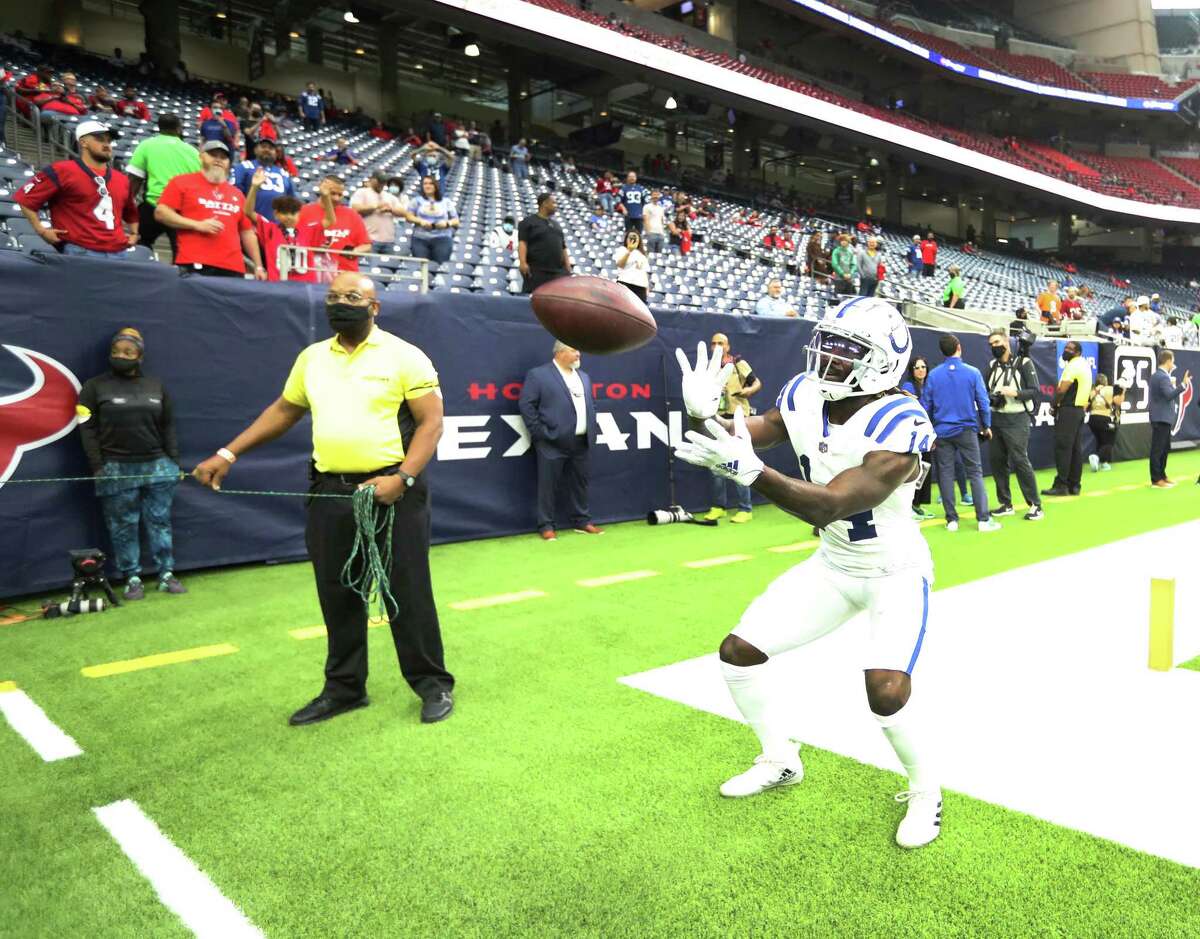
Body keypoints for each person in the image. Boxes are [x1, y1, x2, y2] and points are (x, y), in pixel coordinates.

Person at [671, 297, 943, 849]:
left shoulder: (902, 420)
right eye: (830, 342)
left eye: (848, 350)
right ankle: (779, 758)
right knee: (738, 653)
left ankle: (926, 790)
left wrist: (753, 474)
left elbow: (829, 505)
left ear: (882, 361)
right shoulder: (804, 391)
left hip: (893, 569)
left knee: (886, 691)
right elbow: (763, 428)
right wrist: (709, 414)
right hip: (834, 564)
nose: (830, 357)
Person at [193, 272, 455, 725]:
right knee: (337, 592)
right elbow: (285, 409)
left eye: (352, 297)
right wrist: (228, 452)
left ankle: (432, 684)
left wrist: (404, 478)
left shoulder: (405, 356)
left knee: (406, 592)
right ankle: (345, 688)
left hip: (393, 492)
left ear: (374, 307)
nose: (340, 303)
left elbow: (431, 424)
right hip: (329, 491)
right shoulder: (312, 358)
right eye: (333, 296)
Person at [76, 328, 185, 600]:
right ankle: (132, 577)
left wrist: (174, 461)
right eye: (116, 351)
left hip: (159, 466)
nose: (121, 356)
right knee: (122, 525)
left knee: (159, 522)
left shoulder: (156, 387)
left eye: (128, 351)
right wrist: (98, 466)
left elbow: (168, 426)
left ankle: (166, 573)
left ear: (140, 356)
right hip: (115, 468)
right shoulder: (94, 387)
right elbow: (86, 429)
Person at [517, 341, 603, 541]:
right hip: (551, 442)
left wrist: (591, 424)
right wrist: (540, 432)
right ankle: (546, 525)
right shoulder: (538, 375)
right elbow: (526, 404)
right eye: (574, 350)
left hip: (581, 441)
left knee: (580, 483)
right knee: (548, 485)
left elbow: (592, 404)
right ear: (559, 353)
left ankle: (582, 521)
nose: (578, 354)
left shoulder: (584, 377)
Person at [15, 120, 138, 258]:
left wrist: (134, 234)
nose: (106, 145)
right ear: (83, 142)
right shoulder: (61, 170)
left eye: (109, 141)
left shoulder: (122, 179)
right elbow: (25, 199)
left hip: (119, 252)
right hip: (80, 249)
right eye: (100, 140)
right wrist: (42, 231)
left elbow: (131, 213)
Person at [155, 140, 265, 278]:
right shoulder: (182, 182)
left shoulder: (237, 194)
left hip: (233, 267)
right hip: (194, 263)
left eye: (223, 157)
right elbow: (161, 213)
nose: (218, 160)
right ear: (201, 157)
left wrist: (259, 266)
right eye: (213, 155)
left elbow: (247, 232)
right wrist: (197, 225)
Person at [921, 334, 998, 532]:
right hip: (966, 430)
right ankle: (983, 520)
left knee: (946, 474)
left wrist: (929, 432)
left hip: (942, 431)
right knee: (975, 473)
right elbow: (983, 403)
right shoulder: (972, 373)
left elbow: (925, 407)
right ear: (959, 347)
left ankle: (952, 520)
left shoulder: (934, 375)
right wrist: (986, 425)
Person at [701, 333, 761, 524]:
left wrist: (747, 391)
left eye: (721, 343)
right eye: (714, 344)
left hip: (738, 418)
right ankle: (719, 507)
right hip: (716, 416)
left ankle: (745, 508)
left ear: (728, 346)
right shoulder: (708, 369)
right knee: (715, 462)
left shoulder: (738, 362)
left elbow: (756, 382)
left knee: (738, 461)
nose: (717, 346)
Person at [983, 329, 1042, 521]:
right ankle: (1005, 503)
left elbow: (1034, 391)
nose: (994, 346)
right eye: (991, 344)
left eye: (997, 342)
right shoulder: (991, 365)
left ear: (1007, 342)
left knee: (1020, 460)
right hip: (996, 418)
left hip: (1017, 418)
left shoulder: (1023, 363)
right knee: (998, 462)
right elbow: (984, 392)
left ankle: (1035, 505)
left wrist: (1014, 393)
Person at [126, 112, 200, 261]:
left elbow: (135, 179)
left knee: (141, 243)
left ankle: (141, 273)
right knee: (180, 253)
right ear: (179, 129)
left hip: (153, 206)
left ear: (159, 128)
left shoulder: (147, 145)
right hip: (180, 211)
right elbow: (199, 183)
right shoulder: (193, 151)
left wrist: (127, 206)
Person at [244, 169, 323, 282]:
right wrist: (254, 187)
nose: (289, 217)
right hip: (277, 284)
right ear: (276, 214)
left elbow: (329, 221)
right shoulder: (270, 229)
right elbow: (248, 211)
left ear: (299, 214)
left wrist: (326, 198)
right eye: (285, 213)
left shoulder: (307, 230)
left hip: (305, 285)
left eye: (293, 213)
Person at [1041, 340, 1092, 497]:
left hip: (1069, 409)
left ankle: (1061, 485)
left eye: (1071, 348)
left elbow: (1062, 389)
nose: (1067, 350)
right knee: (1075, 449)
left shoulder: (1073, 365)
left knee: (1063, 448)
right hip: (1078, 410)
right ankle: (1074, 484)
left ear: (1078, 352)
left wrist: (1054, 405)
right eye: (1066, 348)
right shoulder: (1084, 364)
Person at [1148, 350, 1191, 488]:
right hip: (1161, 418)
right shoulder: (1162, 377)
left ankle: (1162, 475)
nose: (1173, 363)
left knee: (1164, 448)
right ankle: (1156, 479)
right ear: (1167, 361)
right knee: (1158, 449)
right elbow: (1169, 395)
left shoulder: (1160, 376)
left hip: (1163, 418)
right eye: (1172, 360)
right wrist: (1183, 385)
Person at [901, 357, 935, 520]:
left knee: (926, 469)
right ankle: (909, 506)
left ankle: (917, 505)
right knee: (914, 470)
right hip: (913, 437)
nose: (921, 370)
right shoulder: (908, 386)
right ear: (912, 370)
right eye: (917, 367)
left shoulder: (929, 385)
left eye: (923, 366)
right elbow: (914, 408)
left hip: (928, 435)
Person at [518, 192, 572, 293]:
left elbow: (563, 247)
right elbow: (522, 243)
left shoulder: (557, 225)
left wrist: (568, 265)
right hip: (537, 271)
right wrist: (522, 262)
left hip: (558, 273)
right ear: (544, 203)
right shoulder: (528, 222)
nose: (556, 206)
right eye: (554, 203)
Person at [233, 138, 295, 224]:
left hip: (276, 227)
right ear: (255, 150)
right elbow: (235, 195)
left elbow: (291, 200)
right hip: (249, 224)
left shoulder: (284, 173)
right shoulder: (244, 167)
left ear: (276, 153)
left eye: (271, 148)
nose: (267, 150)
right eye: (263, 146)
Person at [403, 174, 459, 264]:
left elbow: (456, 221)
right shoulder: (416, 201)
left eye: (430, 183)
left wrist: (446, 223)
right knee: (420, 266)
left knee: (440, 265)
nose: (427, 186)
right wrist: (420, 221)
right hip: (420, 238)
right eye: (425, 183)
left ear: (436, 186)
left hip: (442, 238)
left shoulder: (446, 202)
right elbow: (408, 217)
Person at [350, 172, 405, 253]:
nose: (382, 184)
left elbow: (403, 212)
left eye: (384, 181)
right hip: (369, 240)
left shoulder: (389, 196)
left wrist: (390, 209)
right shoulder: (362, 192)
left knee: (389, 265)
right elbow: (355, 208)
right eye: (380, 181)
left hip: (388, 240)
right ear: (372, 180)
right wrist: (376, 206)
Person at [1086, 374, 1121, 473]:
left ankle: (1104, 463)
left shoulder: (1091, 391)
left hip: (1092, 419)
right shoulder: (1110, 389)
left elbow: (1087, 405)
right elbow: (1117, 402)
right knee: (1109, 442)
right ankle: (1096, 457)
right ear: (1105, 381)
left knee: (1101, 441)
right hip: (1105, 418)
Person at [613, 229, 650, 302]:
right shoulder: (622, 250)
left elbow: (644, 271)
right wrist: (629, 251)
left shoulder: (642, 254)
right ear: (626, 239)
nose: (632, 240)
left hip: (640, 286)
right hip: (625, 283)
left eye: (635, 238)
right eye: (630, 238)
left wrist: (647, 287)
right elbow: (620, 265)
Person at [642, 189, 665, 253]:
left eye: (657, 195)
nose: (656, 196)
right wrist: (648, 232)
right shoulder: (647, 206)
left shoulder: (661, 208)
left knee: (659, 255)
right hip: (652, 233)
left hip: (660, 234)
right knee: (651, 254)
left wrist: (662, 233)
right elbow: (645, 219)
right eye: (654, 195)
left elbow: (662, 221)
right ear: (651, 196)